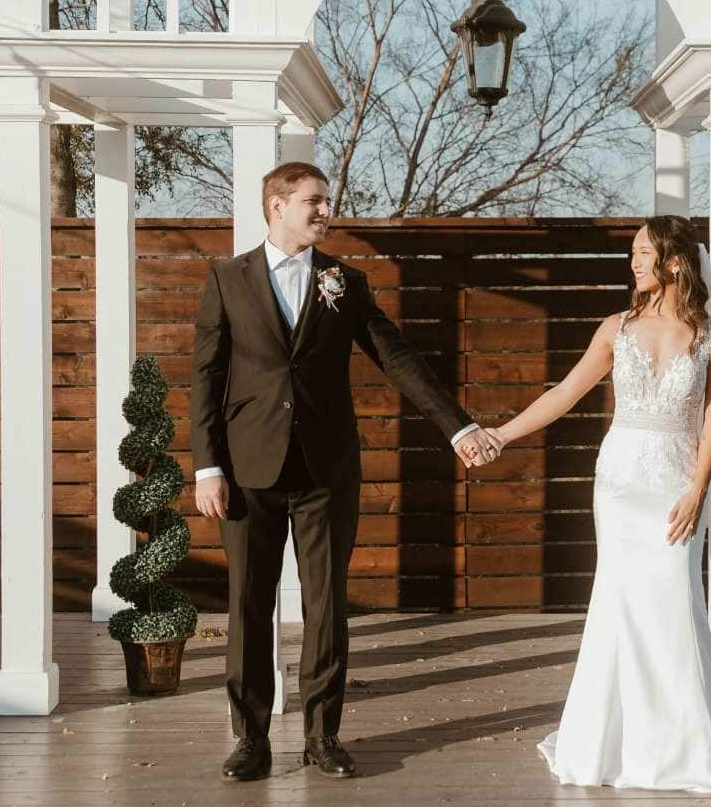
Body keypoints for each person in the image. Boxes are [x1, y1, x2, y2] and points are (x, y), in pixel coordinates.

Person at [190, 161, 500, 781]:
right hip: (248, 471)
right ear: (277, 205)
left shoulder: (344, 283)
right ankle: (250, 739)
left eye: (327, 201)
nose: (326, 211)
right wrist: (206, 467)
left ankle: (322, 737)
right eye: (315, 201)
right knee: (249, 604)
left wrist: (458, 425)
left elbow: (398, 358)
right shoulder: (227, 279)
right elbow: (207, 377)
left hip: (326, 472)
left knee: (327, 604)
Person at [480, 214, 711, 793]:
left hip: (676, 479)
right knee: (619, 605)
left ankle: (683, 750)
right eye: (633, 252)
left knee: (675, 603)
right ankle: (605, 745)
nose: (635, 261)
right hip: (620, 482)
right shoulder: (615, 328)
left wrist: (697, 487)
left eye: (644, 252)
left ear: (675, 261)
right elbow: (566, 392)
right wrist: (502, 433)